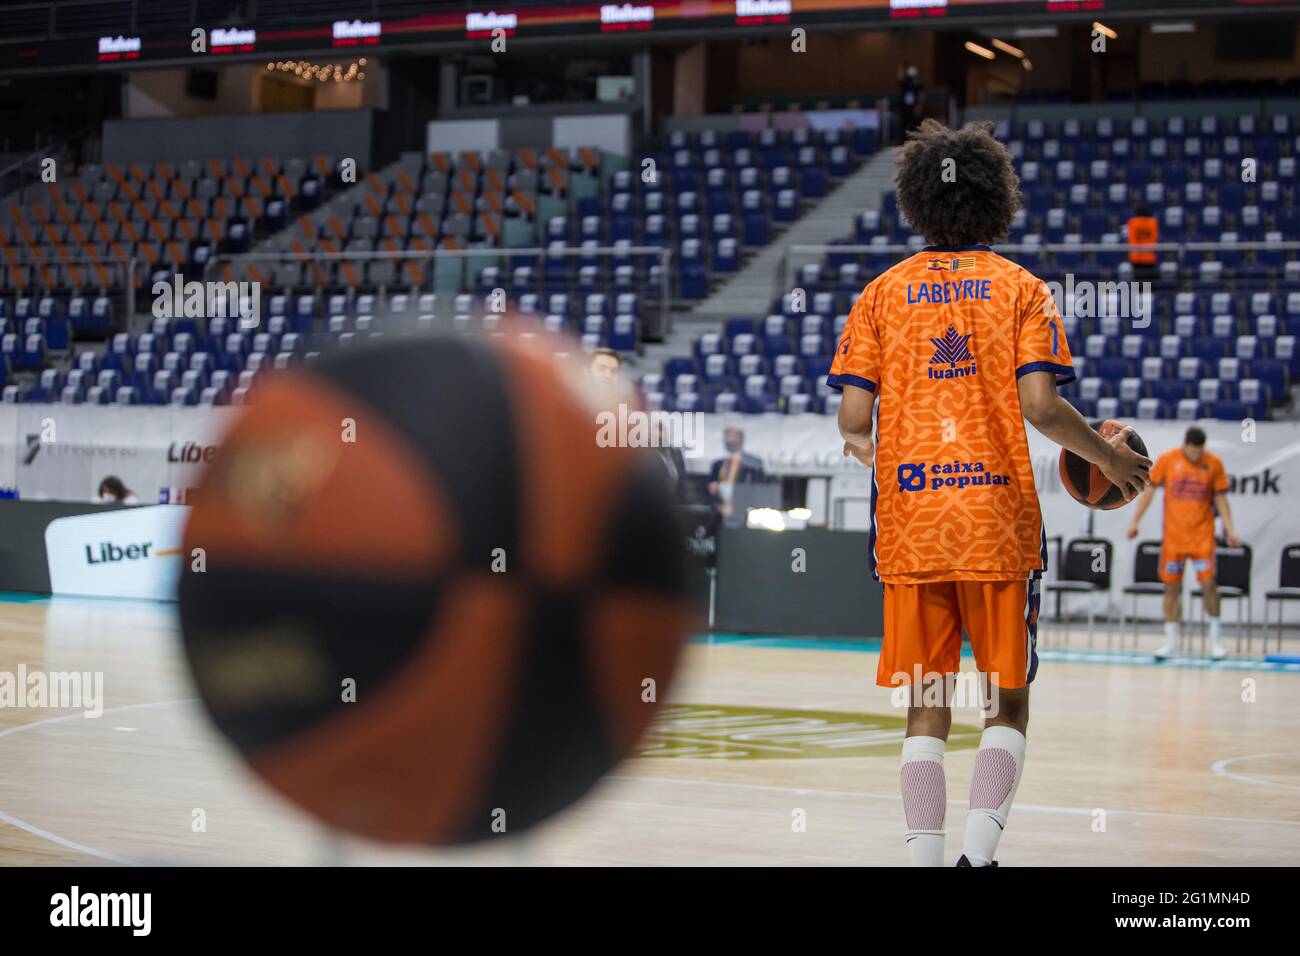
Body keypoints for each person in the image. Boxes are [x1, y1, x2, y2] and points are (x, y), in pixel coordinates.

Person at [829, 119, 1150, 867]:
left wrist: (902, 462)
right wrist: (1109, 458)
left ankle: (923, 861)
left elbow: (852, 421)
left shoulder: (879, 294)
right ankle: (979, 857)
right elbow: (1040, 407)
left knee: (925, 703)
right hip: (996, 525)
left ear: (916, 204)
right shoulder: (1022, 290)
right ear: (997, 202)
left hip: (911, 528)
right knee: (1005, 700)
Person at [1126, 426, 1240, 661]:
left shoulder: (1214, 463)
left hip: (1202, 538)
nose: (1196, 455)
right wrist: (1135, 521)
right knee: (1171, 588)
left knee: (1209, 585)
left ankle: (1216, 641)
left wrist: (1230, 530)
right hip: (1174, 539)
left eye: (1199, 451)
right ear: (1185, 445)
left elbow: (1221, 498)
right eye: (1192, 450)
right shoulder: (1168, 460)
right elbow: (1149, 491)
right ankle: (1171, 642)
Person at [707, 426, 765, 519]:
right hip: (720, 510)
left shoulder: (753, 463)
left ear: (741, 439)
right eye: (727, 437)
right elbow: (711, 485)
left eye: (732, 437)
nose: (729, 440)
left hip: (745, 509)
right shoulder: (718, 464)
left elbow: (758, 488)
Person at [1126, 203, 1159, 281]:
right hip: (1149, 257)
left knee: (1138, 282)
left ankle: (1140, 292)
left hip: (1136, 256)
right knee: (1148, 283)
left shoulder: (1132, 222)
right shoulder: (1153, 222)